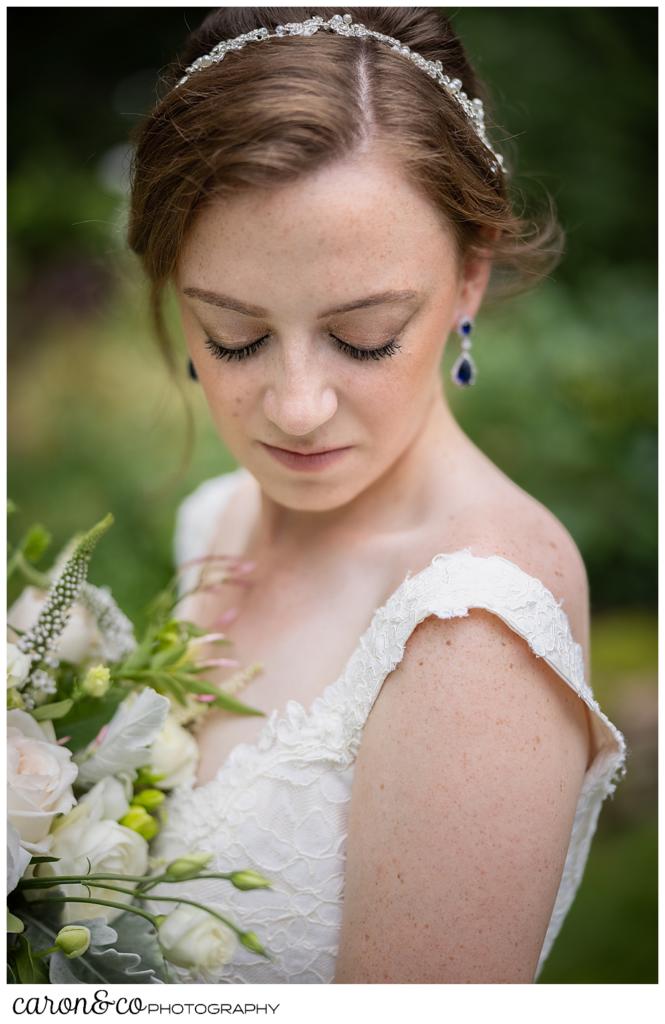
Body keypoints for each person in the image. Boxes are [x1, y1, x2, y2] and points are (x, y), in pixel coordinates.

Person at [126, 8, 627, 984]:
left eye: (362, 336)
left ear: (469, 274)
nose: (298, 406)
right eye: (233, 334)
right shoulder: (217, 519)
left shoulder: (475, 619)